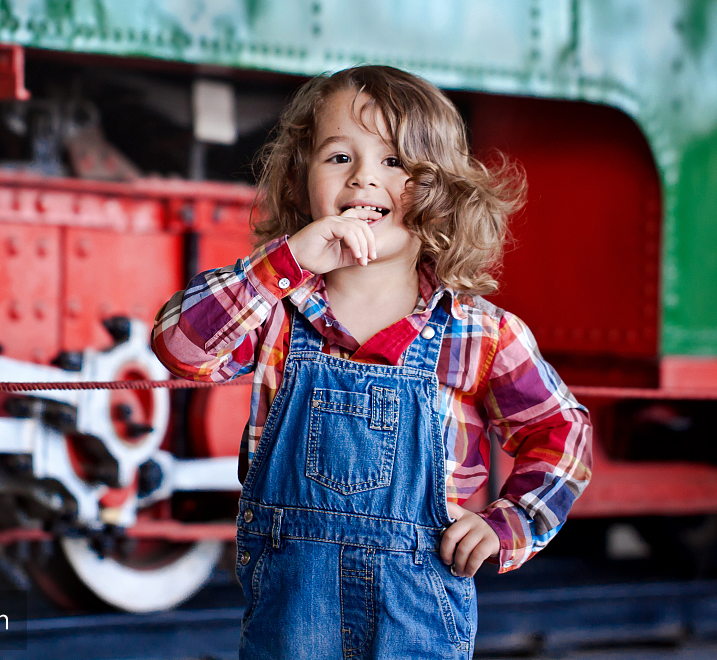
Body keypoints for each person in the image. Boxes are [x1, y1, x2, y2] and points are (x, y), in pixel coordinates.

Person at [152, 66, 592, 658]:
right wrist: (285, 262)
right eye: (338, 157)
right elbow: (180, 348)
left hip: (418, 621)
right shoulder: (277, 313)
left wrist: (505, 524)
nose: (364, 177)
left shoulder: (482, 334)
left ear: (440, 190)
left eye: (394, 162)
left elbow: (560, 432)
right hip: (291, 625)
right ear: (300, 179)